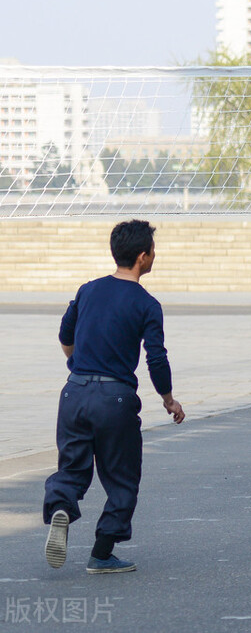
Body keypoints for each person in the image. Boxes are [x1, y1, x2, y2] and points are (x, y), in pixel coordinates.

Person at [43, 220, 186, 574]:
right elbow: (156, 358)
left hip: (74, 392)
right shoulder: (147, 304)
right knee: (121, 477)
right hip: (115, 399)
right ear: (142, 257)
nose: (154, 256)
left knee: (72, 467)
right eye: (153, 251)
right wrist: (168, 399)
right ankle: (102, 554)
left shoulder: (88, 290)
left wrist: (78, 366)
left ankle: (61, 505)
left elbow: (65, 335)